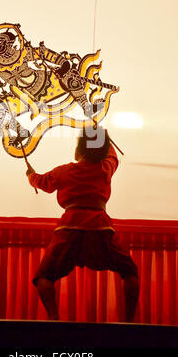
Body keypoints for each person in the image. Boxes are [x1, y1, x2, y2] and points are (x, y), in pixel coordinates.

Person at [26, 126, 139, 322]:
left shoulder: (64, 172)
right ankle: (129, 322)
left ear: (79, 150)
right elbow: (112, 155)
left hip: (69, 227)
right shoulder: (105, 168)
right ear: (102, 150)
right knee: (130, 273)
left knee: (43, 277)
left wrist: (30, 176)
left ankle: (54, 318)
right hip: (100, 226)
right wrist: (101, 134)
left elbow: (42, 182)